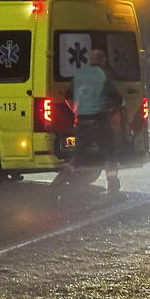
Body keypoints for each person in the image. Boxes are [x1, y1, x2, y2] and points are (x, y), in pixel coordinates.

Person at [53, 49, 123, 194]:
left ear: (90, 60)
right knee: (110, 152)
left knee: (78, 156)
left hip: (80, 122)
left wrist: (75, 109)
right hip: (100, 122)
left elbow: (68, 95)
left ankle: (58, 182)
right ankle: (112, 184)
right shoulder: (105, 75)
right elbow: (117, 99)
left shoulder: (79, 75)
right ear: (103, 60)